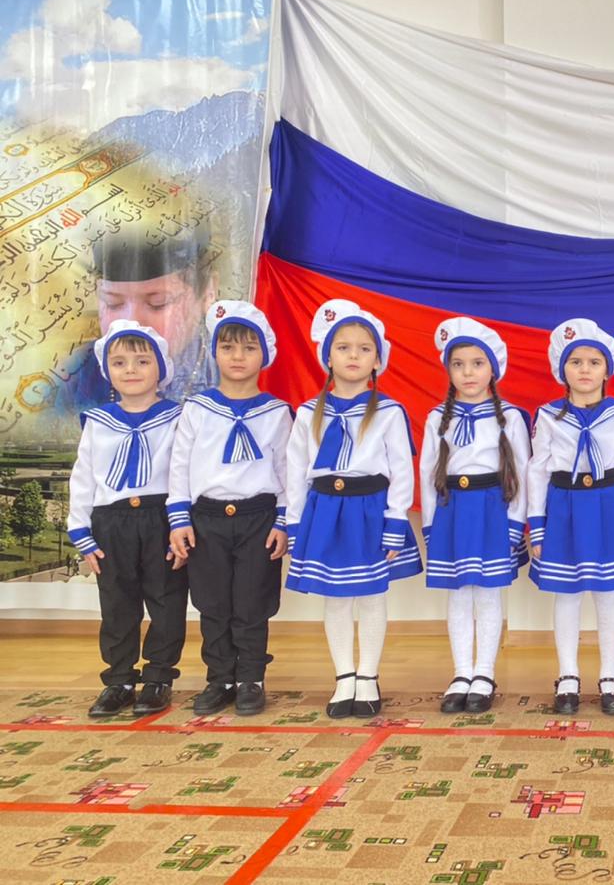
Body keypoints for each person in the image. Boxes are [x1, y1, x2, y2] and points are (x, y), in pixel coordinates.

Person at [284, 299, 422, 719]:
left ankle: (368, 676)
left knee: (371, 595)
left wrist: (395, 520)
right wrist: (295, 524)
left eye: (364, 349)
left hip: (370, 511)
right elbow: (296, 473)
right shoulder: (308, 412)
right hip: (326, 511)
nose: (353, 356)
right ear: (328, 356)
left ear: (378, 360)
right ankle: (344, 676)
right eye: (343, 347)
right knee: (336, 596)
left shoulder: (389, 412)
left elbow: (401, 471)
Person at [167, 301, 291, 717]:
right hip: (207, 519)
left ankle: (251, 677)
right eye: (228, 347)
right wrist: (179, 519)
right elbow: (179, 467)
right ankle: (219, 677)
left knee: (253, 600)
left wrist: (283, 520)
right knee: (213, 601)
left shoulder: (276, 413)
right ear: (214, 352)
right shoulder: (197, 409)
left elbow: (288, 471)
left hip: (259, 518)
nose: (238, 357)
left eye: (249, 348)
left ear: (265, 354)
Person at [66, 320, 186, 717]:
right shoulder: (98, 422)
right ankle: (118, 680)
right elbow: (84, 477)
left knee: (166, 600)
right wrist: (81, 530)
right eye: (119, 363)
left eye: (142, 361)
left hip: (161, 517)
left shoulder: (177, 419)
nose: (131, 369)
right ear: (108, 371)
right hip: (111, 520)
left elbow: (185, 473)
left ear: (160, 369)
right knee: (118, 603)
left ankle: (158, 678)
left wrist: (182, 524)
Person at [527, 319, 614, 716]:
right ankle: (568, 675)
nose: (584, 370)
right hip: (564, 507)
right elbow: (537, 471)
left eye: (594, 362)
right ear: (562, 369)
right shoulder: (547, 415)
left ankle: (610, 674)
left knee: (608, 594)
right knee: (567, 593)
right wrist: (537, 525)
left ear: (607, 369)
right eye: (575, 361)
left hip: (607, 507)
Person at [420, 317, 531, 715]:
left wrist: (515, 523)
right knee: (458, 593)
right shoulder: (437, 417)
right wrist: (430, 526)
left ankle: (484, 672)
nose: (468, 373)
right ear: (448, 370)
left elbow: (523, 473)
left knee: (487, 592)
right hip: (452, 510)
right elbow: (428, 474)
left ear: (493, 368)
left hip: (491, 511)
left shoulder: (511, 418)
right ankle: (461, 672)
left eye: (477, 363)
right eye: (459, 364)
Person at [62, 222, 218, 413]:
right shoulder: (76, 376)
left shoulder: (231, 367)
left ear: (208, 293)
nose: (132, 323)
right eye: (113, 303)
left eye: (158, 303)